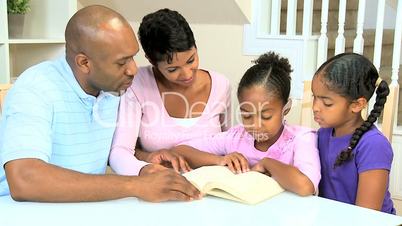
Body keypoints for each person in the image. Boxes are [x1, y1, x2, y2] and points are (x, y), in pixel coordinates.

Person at [0, 5, 200, 202]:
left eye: (132, 57)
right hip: (21, 213)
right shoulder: (35, 88)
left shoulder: (113, 88)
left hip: (85, 210)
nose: (133, 70)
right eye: (121, 63)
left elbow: (108, 150)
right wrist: (136, 185)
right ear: (84, 63)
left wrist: (145, 162)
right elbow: (24, 179)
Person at [170, 52, 321, 196]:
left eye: (266, 116)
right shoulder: (236, 137)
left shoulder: (301, 138)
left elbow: (306, 186)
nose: (255, 125)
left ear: (285, 108)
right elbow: (180, 150)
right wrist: (220, 160)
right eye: (247, 115)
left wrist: (267, 163)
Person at [109, 8, 231, 175]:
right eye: (173, 69)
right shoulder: (137, 85)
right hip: (160, 184)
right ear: (152, 61)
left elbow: (231, 143)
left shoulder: (221, 85)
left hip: (214, 186)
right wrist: (149, 158)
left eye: (191, 60)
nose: (187, 74)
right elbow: (121, 151)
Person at [311, 53, 395, 214]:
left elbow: (366, 216)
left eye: (327, 103)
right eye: (314, 97)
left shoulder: (373, 145)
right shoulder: (323, 134)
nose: (315, 107)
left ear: (357, 105)